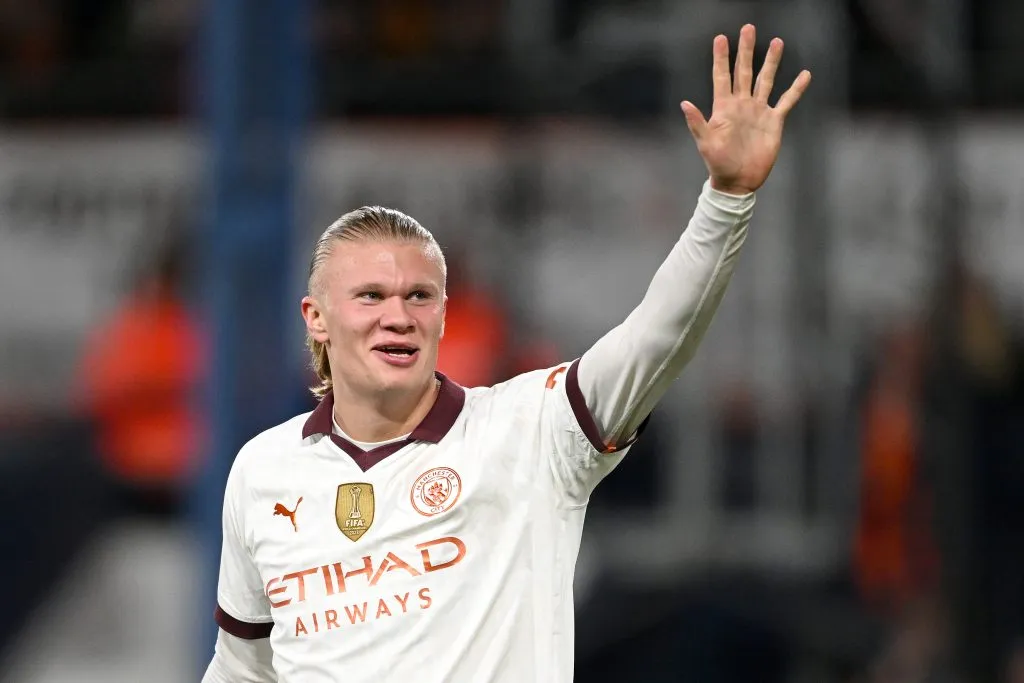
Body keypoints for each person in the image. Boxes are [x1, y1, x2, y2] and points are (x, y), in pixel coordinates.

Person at [202, 24, 810, 683]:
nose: (397, 317)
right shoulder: (261, 472)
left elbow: (656, 336)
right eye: (371, 295)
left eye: (419, 296)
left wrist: (726, 200)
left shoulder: (528, 431)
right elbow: (241, 669)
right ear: (316, 319)